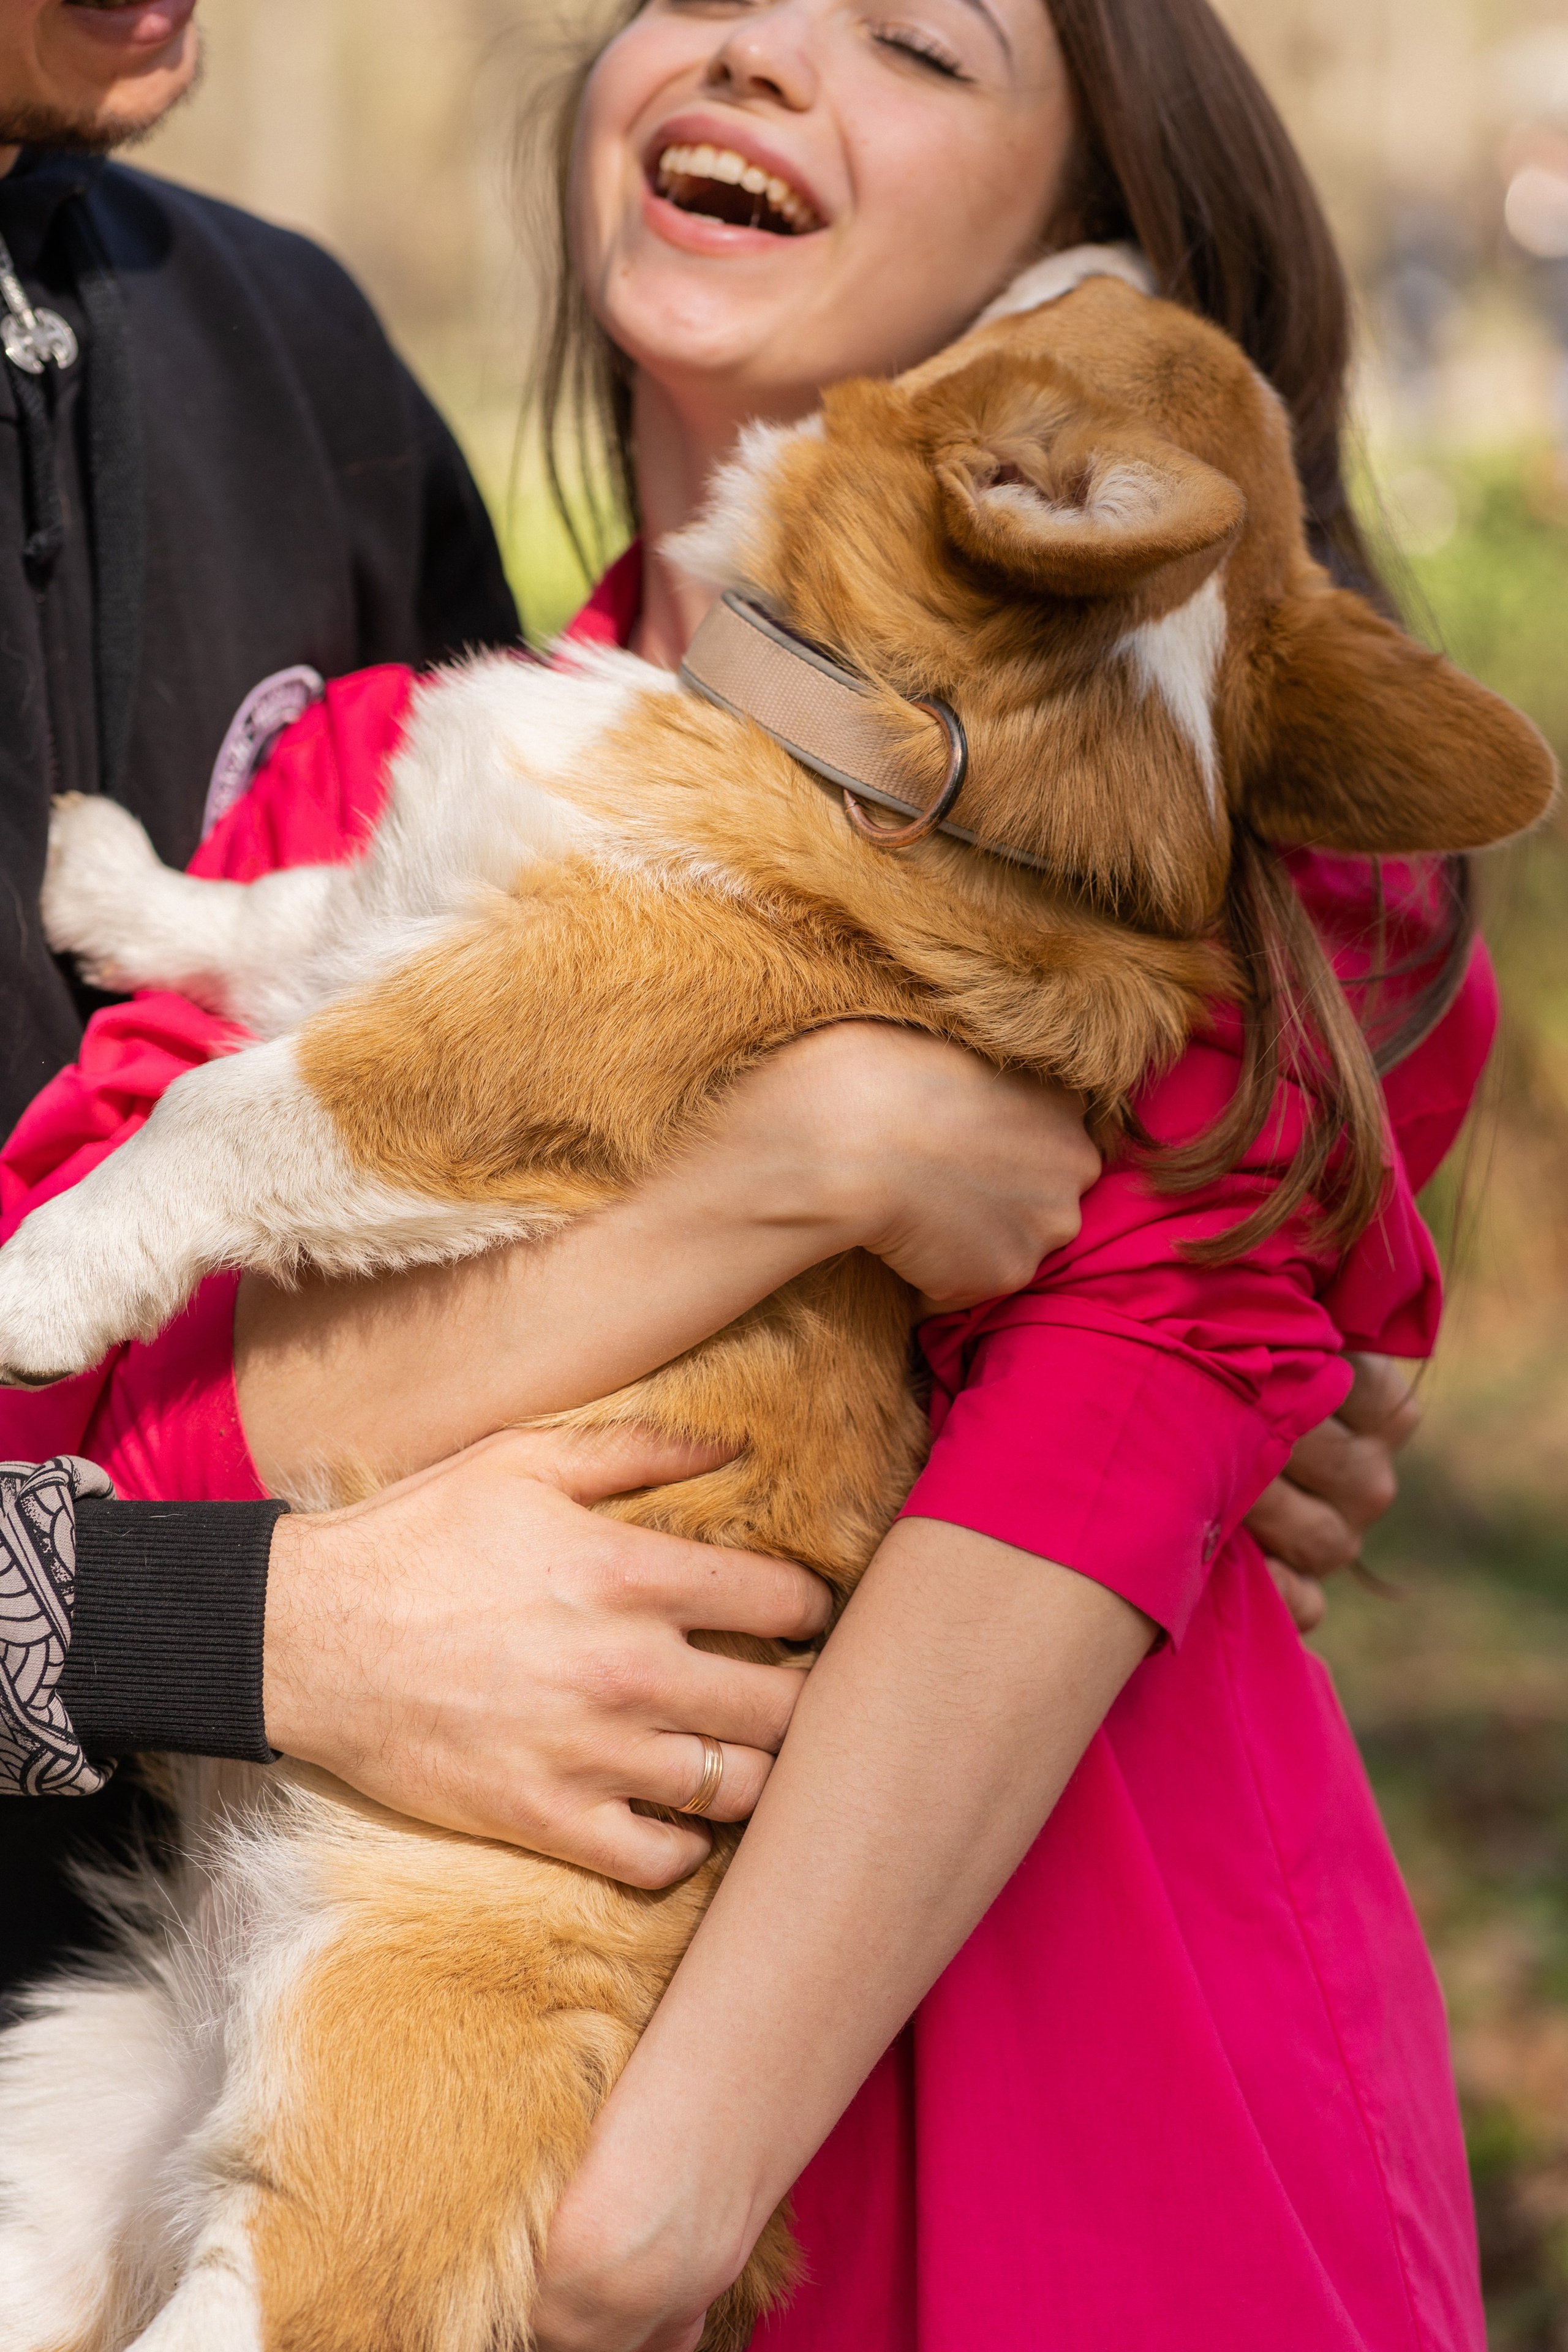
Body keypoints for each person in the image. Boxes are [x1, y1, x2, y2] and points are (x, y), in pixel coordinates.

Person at [0, 4, 1447, 2347]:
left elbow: (1148, 1385)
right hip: (402, 2047)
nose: (766, 52)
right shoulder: (377, 751)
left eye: (915, 39)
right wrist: (806, 1157)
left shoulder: (1200, 866)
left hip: (1054, 2089)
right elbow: (108, 1433)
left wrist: (657, 2193)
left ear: (1075, 257)